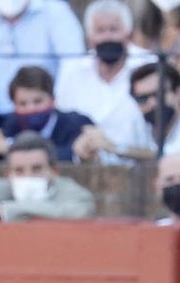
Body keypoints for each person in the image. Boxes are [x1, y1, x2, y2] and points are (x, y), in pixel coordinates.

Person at [56, 0, 154, 165]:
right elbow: (62, 119)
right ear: (90, 38)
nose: (107, 37)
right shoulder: (72, 70)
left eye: (114, 29)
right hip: (82, 168)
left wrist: (112, 147)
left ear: (128, 34)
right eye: (100, 30)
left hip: (140, 168)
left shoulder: (150, 65)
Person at [0, 0, 84, 121]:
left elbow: (74, 67)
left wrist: (55, 112)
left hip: (53, 119)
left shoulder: (57, 13)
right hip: (7, 124)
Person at [0, 65, 92, 161]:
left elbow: (72, 155)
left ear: (53, 100)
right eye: (23, 104)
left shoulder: (77, 124)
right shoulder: (3, 125)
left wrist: (8, 147)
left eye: (37, 101)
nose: (31, 109)